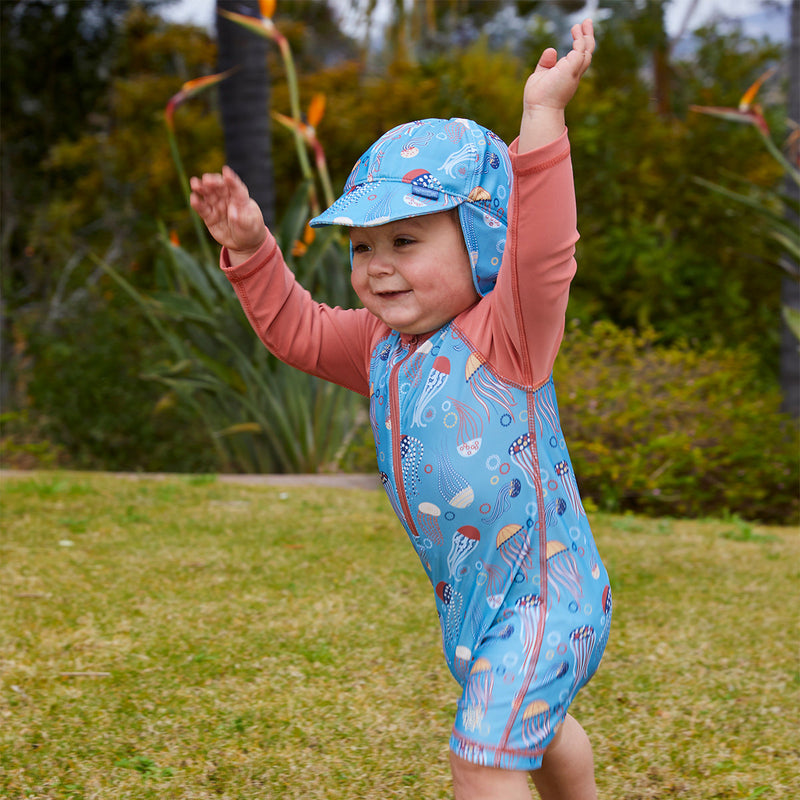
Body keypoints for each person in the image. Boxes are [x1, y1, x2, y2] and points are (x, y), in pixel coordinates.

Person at [190, 19, 610, 800]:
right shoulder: (382, 348)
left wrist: (543, 120)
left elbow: (544, 250)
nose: (377, 268)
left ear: (482, 240)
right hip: (475, 606)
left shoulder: (508, 333)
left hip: (550, 596)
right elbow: (302, 332)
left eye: (406, 240)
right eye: (362, 248)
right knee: (538, 733)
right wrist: (252, 252)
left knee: (482, 757)